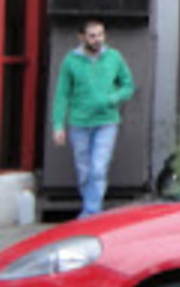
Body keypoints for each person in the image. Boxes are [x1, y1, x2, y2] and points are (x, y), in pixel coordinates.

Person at [52, 20, 135, 218]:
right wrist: (58, 125)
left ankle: (91, 212)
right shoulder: (71, 61)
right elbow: (62, 94)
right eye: (92, 35)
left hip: (107, 121)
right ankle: (91, 207)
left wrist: (113, 98)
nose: (97, 39)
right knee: (84, 171)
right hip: (79, 122)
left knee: (98, 168)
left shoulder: (114, 57)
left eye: (100, 35)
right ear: (81, 37)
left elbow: (128, 85)